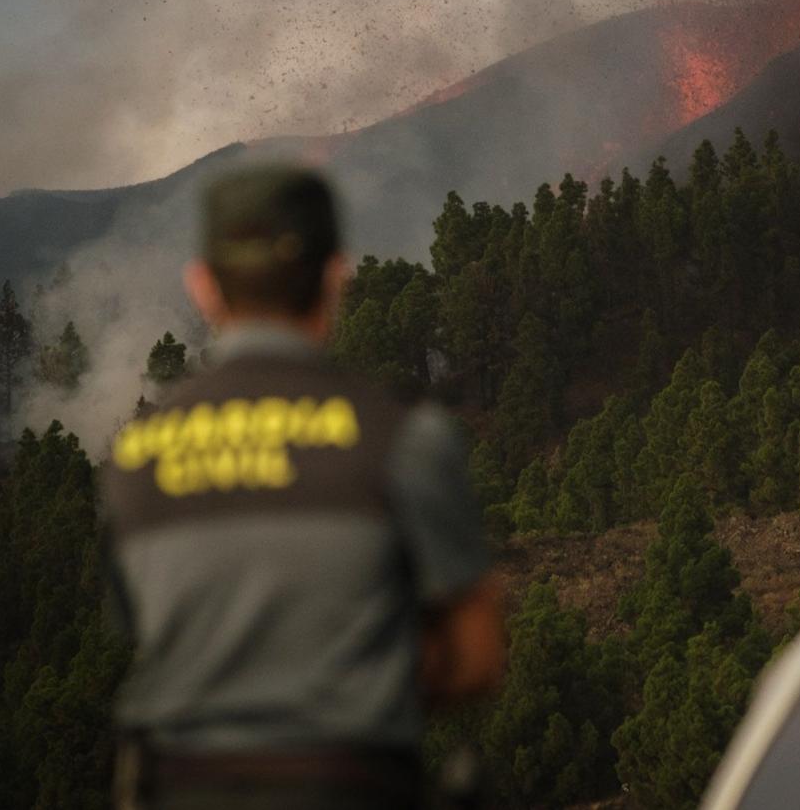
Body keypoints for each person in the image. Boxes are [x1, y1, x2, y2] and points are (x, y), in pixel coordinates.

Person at [101, 163, 505, 809]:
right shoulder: (402, 438)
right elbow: (478, 656)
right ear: (335, 275)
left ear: (204, 287)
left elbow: (144, 638)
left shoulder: (133, 459)